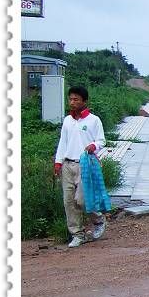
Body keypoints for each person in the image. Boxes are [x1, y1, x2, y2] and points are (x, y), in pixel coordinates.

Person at [53, 85, 107, 248]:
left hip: (85, 164)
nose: (72, 102)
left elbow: (101, 141)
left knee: (82, 200)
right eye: (70, 99)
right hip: (68, 165)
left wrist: (93, 146)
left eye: (76, 99)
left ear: (84, 101)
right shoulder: (67, 121)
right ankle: (77, 234)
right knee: (69, 202)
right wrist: (58, 161)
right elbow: (63, 142)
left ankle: (99, 220)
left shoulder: (93, 120)